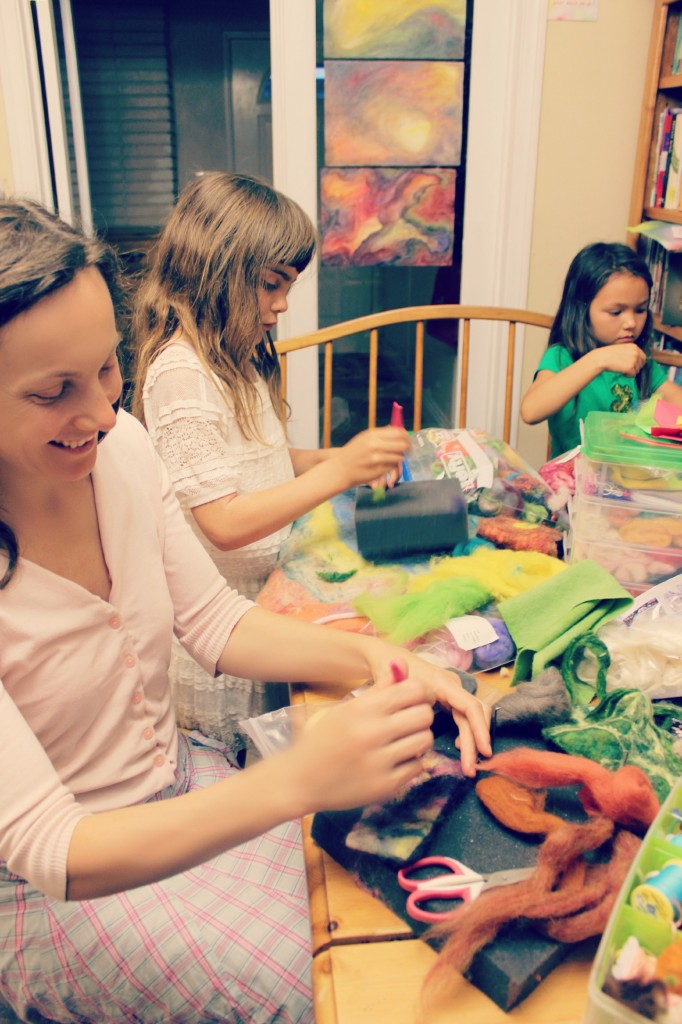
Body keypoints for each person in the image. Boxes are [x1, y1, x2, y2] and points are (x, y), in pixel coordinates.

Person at [0, 198, 490, 1024]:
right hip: (53, 894)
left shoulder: (121, 449)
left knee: (381, 901)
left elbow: (216, 624)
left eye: (110, 369)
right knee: (323, 993)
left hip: (185, 785)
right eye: (54, 392)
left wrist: (388, 663)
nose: (103, 414)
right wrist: (296, 779)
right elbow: (54, 850)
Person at [133, 172, 411, 758]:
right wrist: (335, 475)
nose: (282, 305)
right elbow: (225, 522)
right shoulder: (181, 373)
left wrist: (341, 458)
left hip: (268, 599)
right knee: (253, 770)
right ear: (216, 269)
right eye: (269, 284)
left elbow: (261, 459)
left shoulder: (236, 357)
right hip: (223, 639)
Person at [520, 241, 682, 457]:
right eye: (616, 312)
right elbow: (530, 411)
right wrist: (598, 360)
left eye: (641, 309)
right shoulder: (562, 357)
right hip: (570, 484)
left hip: (625, 482)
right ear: (581, 309)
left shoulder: (641, 363)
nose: (631, 323)